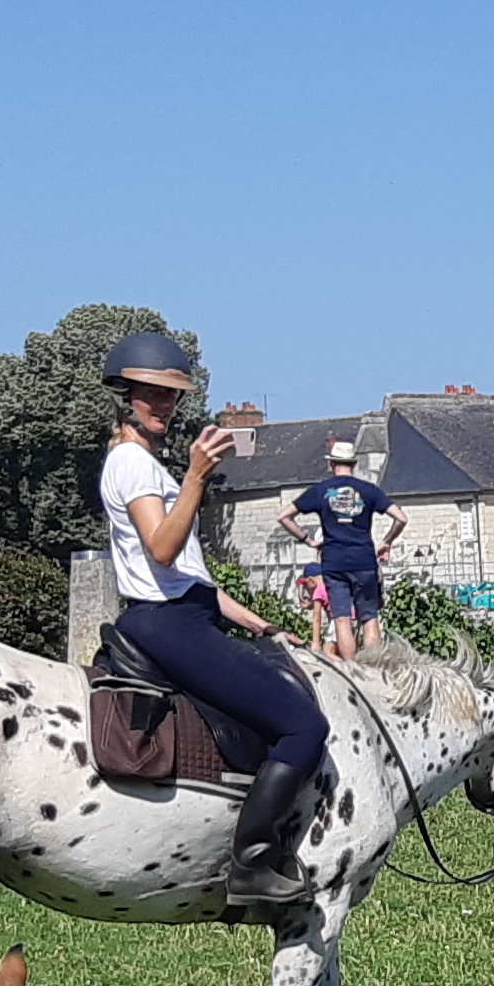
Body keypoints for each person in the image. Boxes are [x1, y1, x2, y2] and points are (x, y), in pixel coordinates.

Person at [95, 330, 331, 905]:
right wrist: (198, 476)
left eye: (172, 396)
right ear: (126, 396)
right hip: (168, 623)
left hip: (184, 613)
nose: (164, 406)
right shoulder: (133, 464)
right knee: (306, 727)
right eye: (151, 394)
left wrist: (265, 627)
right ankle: (252, 862)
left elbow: (194, 579)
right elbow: (161, 550)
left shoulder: (145, 464)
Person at [281, 435, 405, 657]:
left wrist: (307, 540)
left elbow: (284, 516)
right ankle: (373, 670)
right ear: (354, 464)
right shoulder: (369, 490)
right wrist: (386, 542)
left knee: (341, 617)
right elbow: (401, 518)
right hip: (364, 560)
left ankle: (352, 671)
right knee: (369, 616)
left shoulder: (320, 490)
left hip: (334, 561)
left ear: (331, 464)